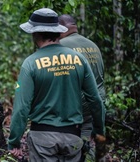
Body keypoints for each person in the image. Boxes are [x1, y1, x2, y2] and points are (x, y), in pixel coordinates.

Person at [7, 8, 105, 162]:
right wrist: (98, 130)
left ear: (35, 33)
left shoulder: (30, 63)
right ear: (57, 32)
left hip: (42, 140)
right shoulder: (79, 59)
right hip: (74, 137)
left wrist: (14, 141)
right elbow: (95, 100)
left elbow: (21, 108)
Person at [59, 14, 106, 161]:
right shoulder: (93, 46)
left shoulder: (60, 47)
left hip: (73, 110)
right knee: (90, 147)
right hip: (95, 107)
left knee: (70, 151)